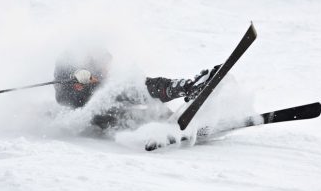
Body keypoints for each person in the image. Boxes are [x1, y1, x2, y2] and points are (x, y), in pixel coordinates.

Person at [53, 49, 219, 131]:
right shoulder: (71, 60)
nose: (106, 68)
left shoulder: (106, 77)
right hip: (95, 113)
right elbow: (62, 97)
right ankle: (164, 127)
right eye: (103, 64)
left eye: (107, 64)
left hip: (112, 97)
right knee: (126, 112)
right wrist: (75, 81)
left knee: (141, 88)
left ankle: (189, 87)